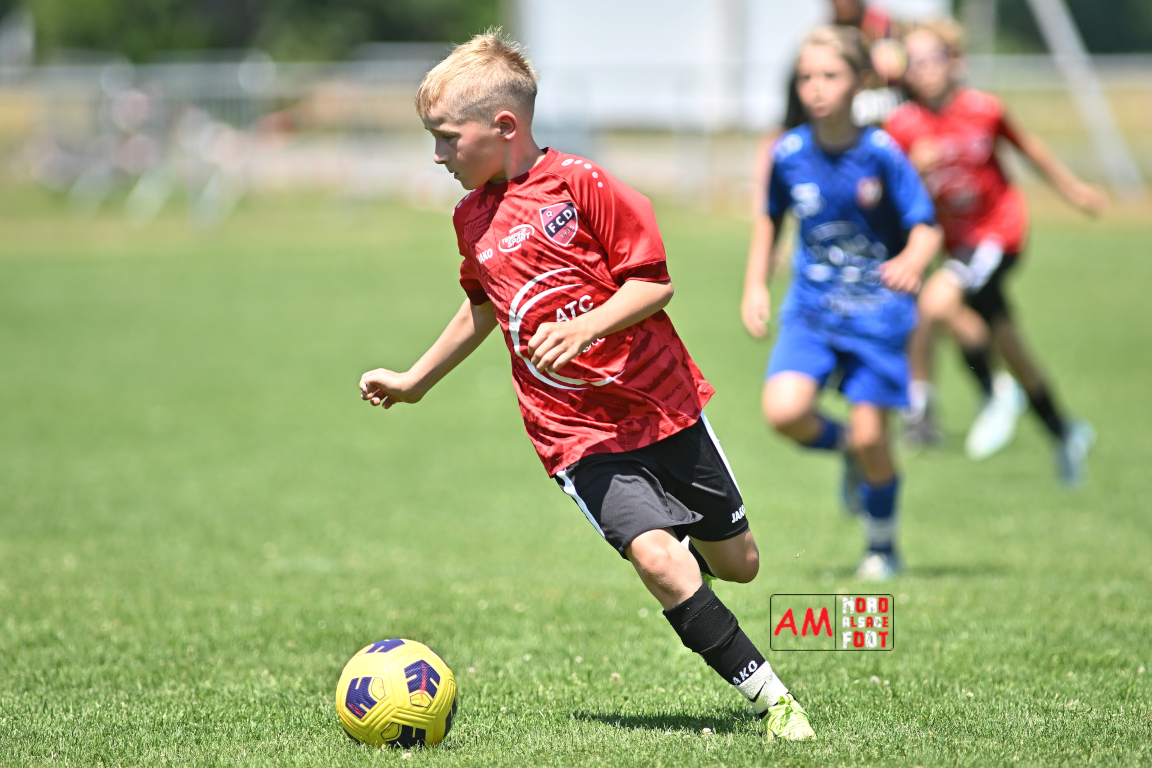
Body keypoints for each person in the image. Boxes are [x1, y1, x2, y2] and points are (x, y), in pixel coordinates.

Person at [358, 30, 815, 740]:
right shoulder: (470, 218)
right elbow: (483, 305)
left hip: (660, 404)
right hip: (574, 431)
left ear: (503, 126)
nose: (438, 156)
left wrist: (585, 327)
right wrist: (416, 379)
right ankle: (774, 701)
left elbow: (653, 284)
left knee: (742, 564)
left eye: (447, 138)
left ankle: (686, 554)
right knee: (659, 561)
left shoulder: (582, 185)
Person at [742, 26, 942, 581]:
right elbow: (769, 219)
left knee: (876, 435)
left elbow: (926, 225)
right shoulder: (788, 153)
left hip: (877, 315)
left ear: (860, 81)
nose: (816, 87)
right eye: (806, 76)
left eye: (830, 75)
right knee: (784, 412)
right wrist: (756, 284)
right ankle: (850, 451)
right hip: (812, 311)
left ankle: (882, 547)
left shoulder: (881, 153)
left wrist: (913, 259)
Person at [885, 20, 1106, 483]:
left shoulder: (983, 110)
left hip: (997, 233)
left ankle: (986, 395)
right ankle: (1064, 431)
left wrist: (1074, 190)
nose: (923, 70)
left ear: (955, 62)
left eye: (932, 59)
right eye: (914, 62)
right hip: (957, 244)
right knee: (1010, 344)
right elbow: (892, 189)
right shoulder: (903, 126)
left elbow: (1030, 149)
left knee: (936, 301)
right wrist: (913, 168)